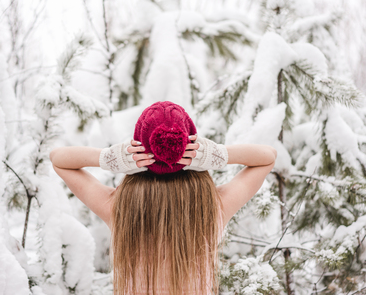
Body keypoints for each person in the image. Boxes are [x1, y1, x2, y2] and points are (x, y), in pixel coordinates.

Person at [49, 101, 277, 295]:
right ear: (191, 149)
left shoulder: (120, 209)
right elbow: (267, 157)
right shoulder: (211, 209)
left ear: (137, 151)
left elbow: (59, 159)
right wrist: (218, 155)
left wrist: (107, 158)